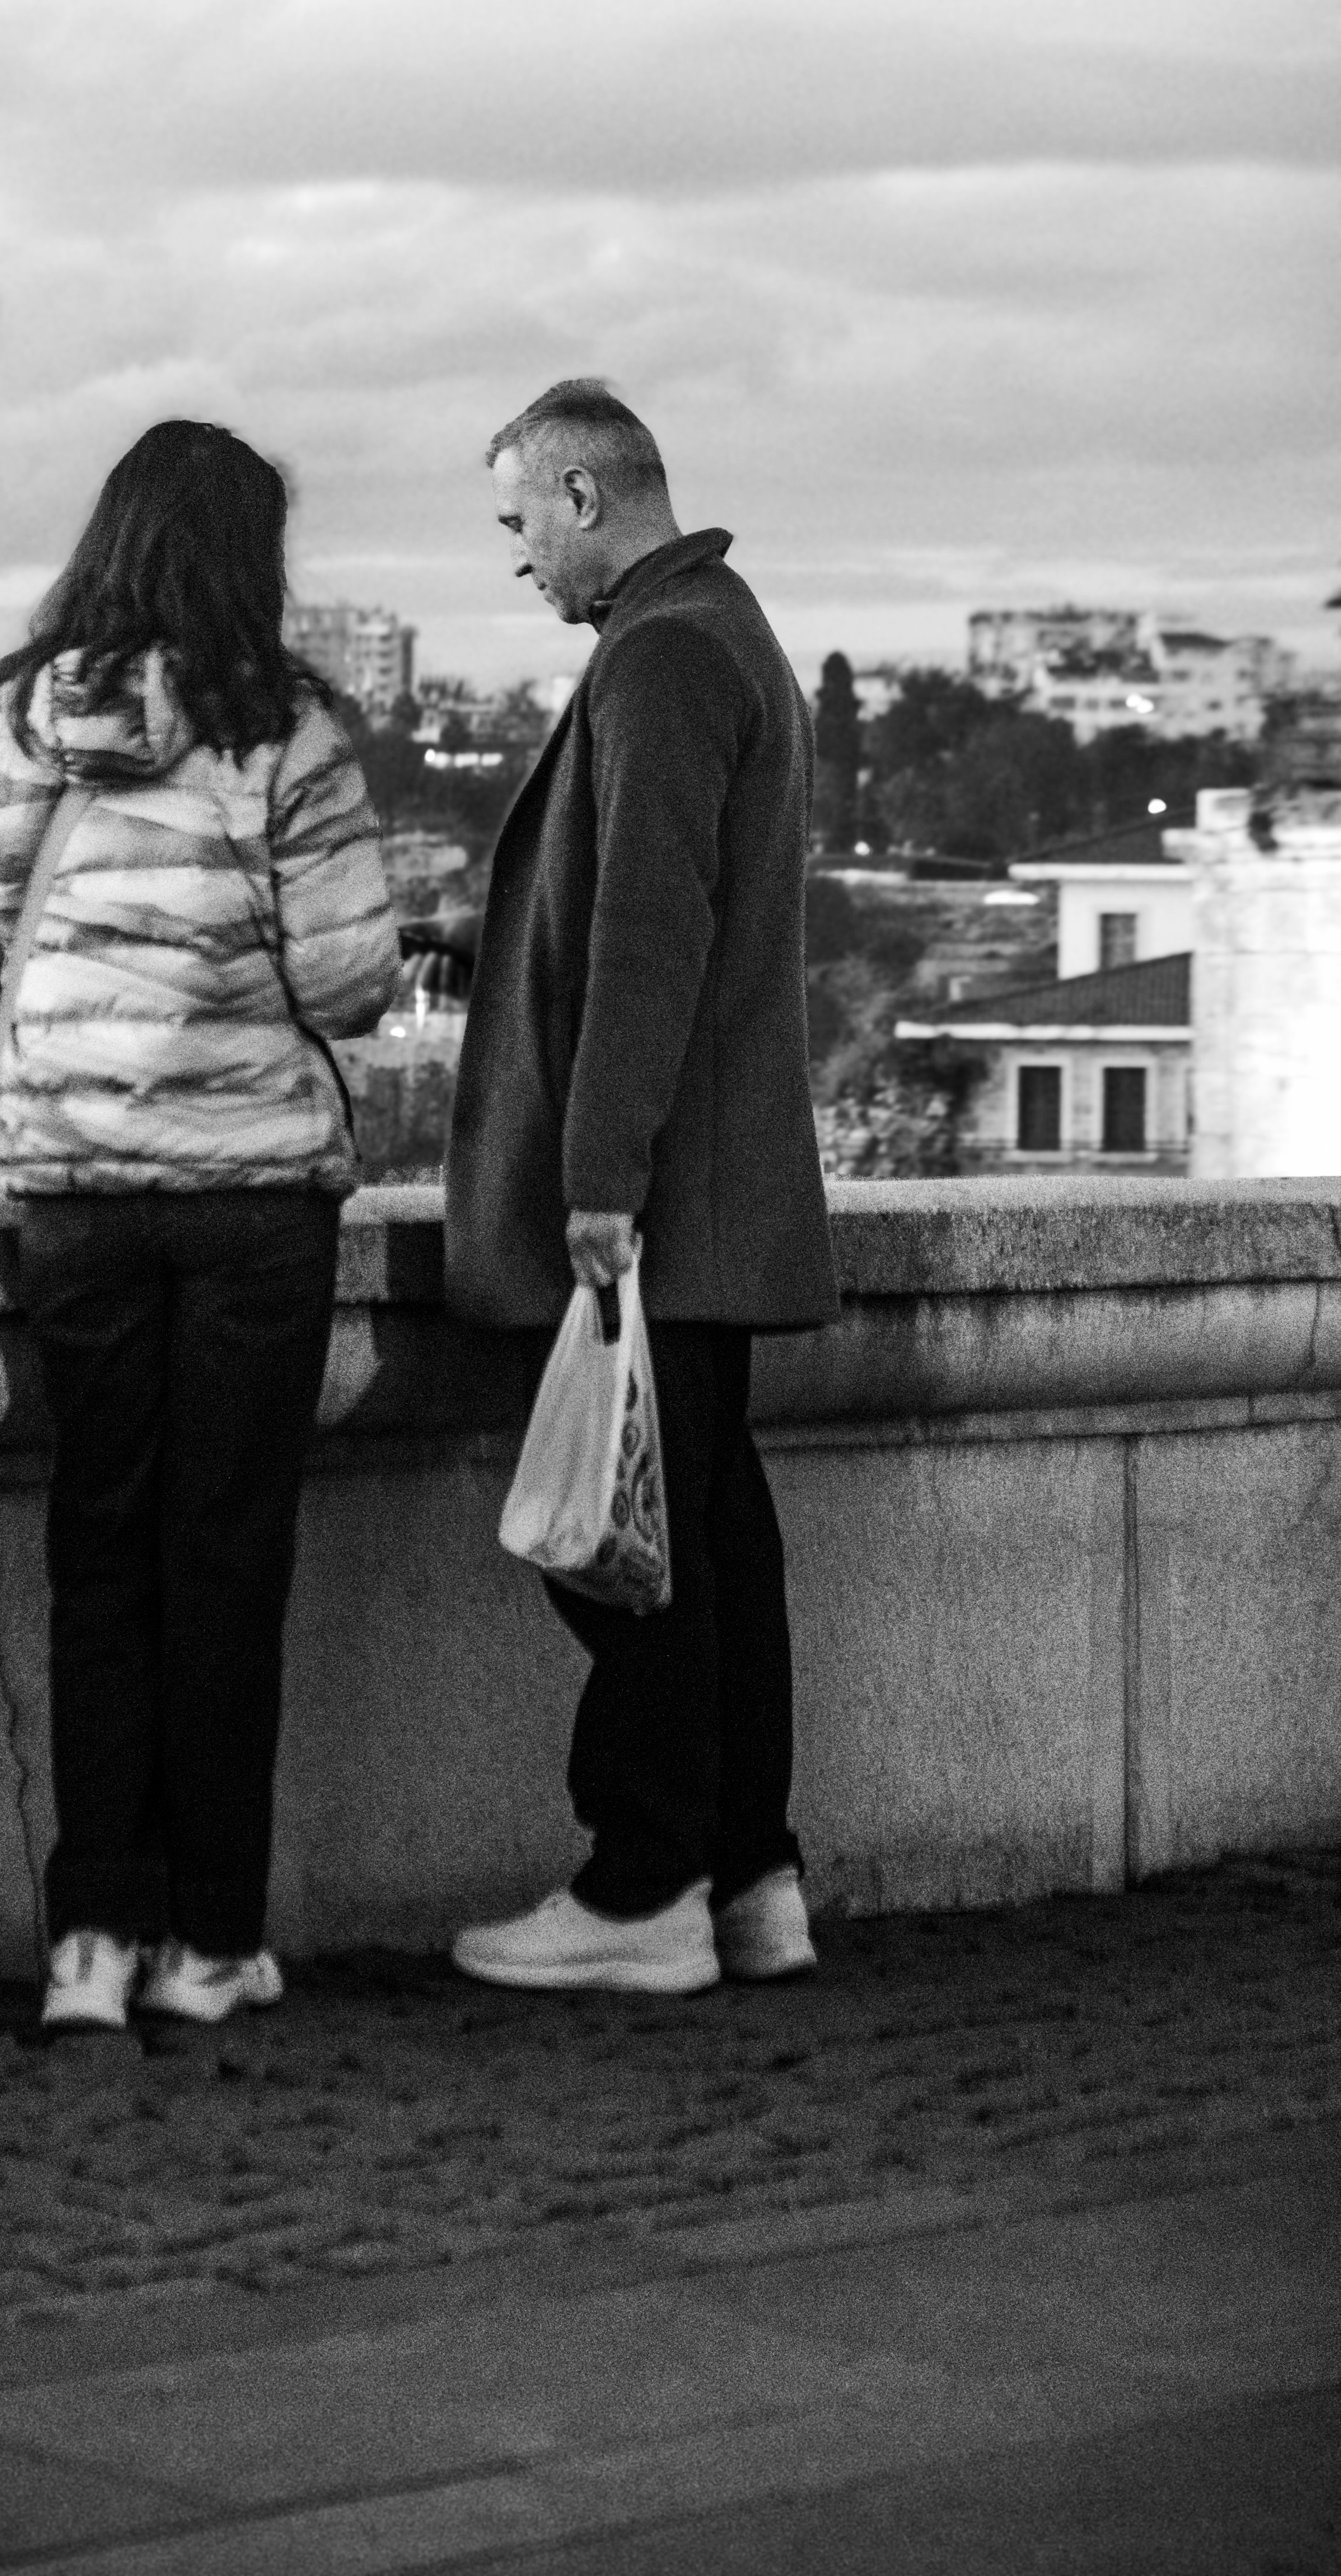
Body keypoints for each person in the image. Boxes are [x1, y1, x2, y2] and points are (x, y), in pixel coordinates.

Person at [0, 421, 400, 2033]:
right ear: (250, 558)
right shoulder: (289, 732)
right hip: (253, 1193)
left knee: (97, 1556)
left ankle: (88, 1947)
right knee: (225, 1559)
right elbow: (347, 981)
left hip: (74, 1197)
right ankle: (210, 1944)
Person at [443, 379, 839, 1995]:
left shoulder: (662, 658)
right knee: (716, 1542)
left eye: (520, 518)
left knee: (634, 1557)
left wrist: (597, 1177)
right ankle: (751, 1880)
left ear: (589, 496)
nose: (518, 558)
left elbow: (646, 937)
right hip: (724, 1189)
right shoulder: (729, 632)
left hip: (661, 1204)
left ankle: (643, 1891)